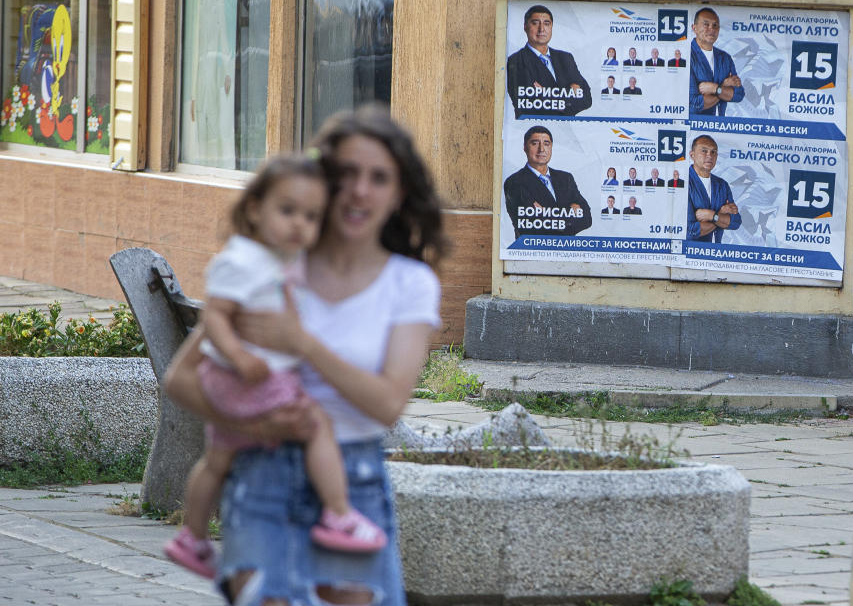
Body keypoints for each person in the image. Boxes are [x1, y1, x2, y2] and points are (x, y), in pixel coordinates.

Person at [163, 105, 446, 606]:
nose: (361, 190)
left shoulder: (409, 284)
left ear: (399, 193)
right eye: (348, 175)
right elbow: (181, 380)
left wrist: (302, 344)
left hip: (351, 487)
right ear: (324, 182)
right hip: (261, 474)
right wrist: (253, 428)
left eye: (379, 178)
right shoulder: (270, 267)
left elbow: (387, 405)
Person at [163, 154, 388, 579]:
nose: (299, 224)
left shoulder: (281, 262)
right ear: (254, 209)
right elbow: (216, 317)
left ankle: (191, 536)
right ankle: (338, 513)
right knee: (316, 423)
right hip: (244, 378)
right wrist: (240, 356)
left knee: (217, 458)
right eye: (288, 211)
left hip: (236, 379)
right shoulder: (243, 258)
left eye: (311, 216)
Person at [503, 125, 592, 240]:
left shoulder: (565, 179)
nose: (541, 149)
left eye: (546, 143)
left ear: (551, 147)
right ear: (525, 147)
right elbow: (532, 226)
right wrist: (570, 212)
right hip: (533, 251)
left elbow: (587, 218)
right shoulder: (514, 182)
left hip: (566, 251)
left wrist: (546, 213)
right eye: (535, 143)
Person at [506, 4, 592, 118]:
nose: (541, 29)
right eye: (535, 23)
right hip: (533, 127)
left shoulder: (565, 58)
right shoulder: (515, 60)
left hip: (569, 129)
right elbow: (531, 104)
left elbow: (586, 98)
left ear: (551, 27)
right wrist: (570, 93)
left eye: (546, 23)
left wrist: (546, 95)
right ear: (525, 26)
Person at [689, 7, 744, 116]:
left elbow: (738, 94)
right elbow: (694, 104)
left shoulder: (725, 58)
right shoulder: (687, 57)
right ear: (694, 28)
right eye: (706, 24)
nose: (711, 29)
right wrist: (723, 86)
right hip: (695, 127)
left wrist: (714, 88)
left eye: (715, 25)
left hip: (720, 126)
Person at [687, 134, 741, 243]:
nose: (709, 155)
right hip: (690, 253)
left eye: (713, 152)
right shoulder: (684, 183)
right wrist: (719, 215)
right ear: (692, 155)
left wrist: (710, 215)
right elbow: (691, 230)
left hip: (715, 254)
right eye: (704, 151)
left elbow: (735, 222)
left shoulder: (722, 185)